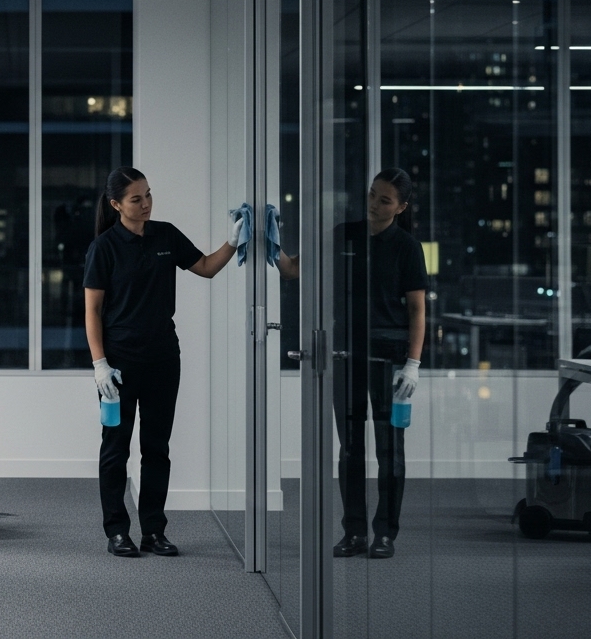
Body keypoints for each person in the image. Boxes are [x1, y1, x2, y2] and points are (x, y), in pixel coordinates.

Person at [83, 167, 243, 557]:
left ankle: (154, 531)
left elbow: (205, 267)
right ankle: (117, 531)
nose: (146, 204)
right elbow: (92, 310)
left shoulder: (166, 235)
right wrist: (99, 364)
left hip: (162, 359)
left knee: (157, 447)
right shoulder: (104, 247)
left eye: (149, 195)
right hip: (119, 364)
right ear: (116, 204)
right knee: (116, 448)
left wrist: (234, 242)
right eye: (136, 199)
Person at [275, 167, 427, 560]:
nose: (374, 205)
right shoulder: (344, 234)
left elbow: (416, 310)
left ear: (401, 207)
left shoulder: (407, 247)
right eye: (373, 195)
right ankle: (354, 532)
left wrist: (413, 363)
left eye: (385, 200)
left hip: (390, 358)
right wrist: (266, 236)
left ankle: (386, 533)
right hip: (345, 352)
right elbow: (292, 269)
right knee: (350, 448)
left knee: (390, 449)